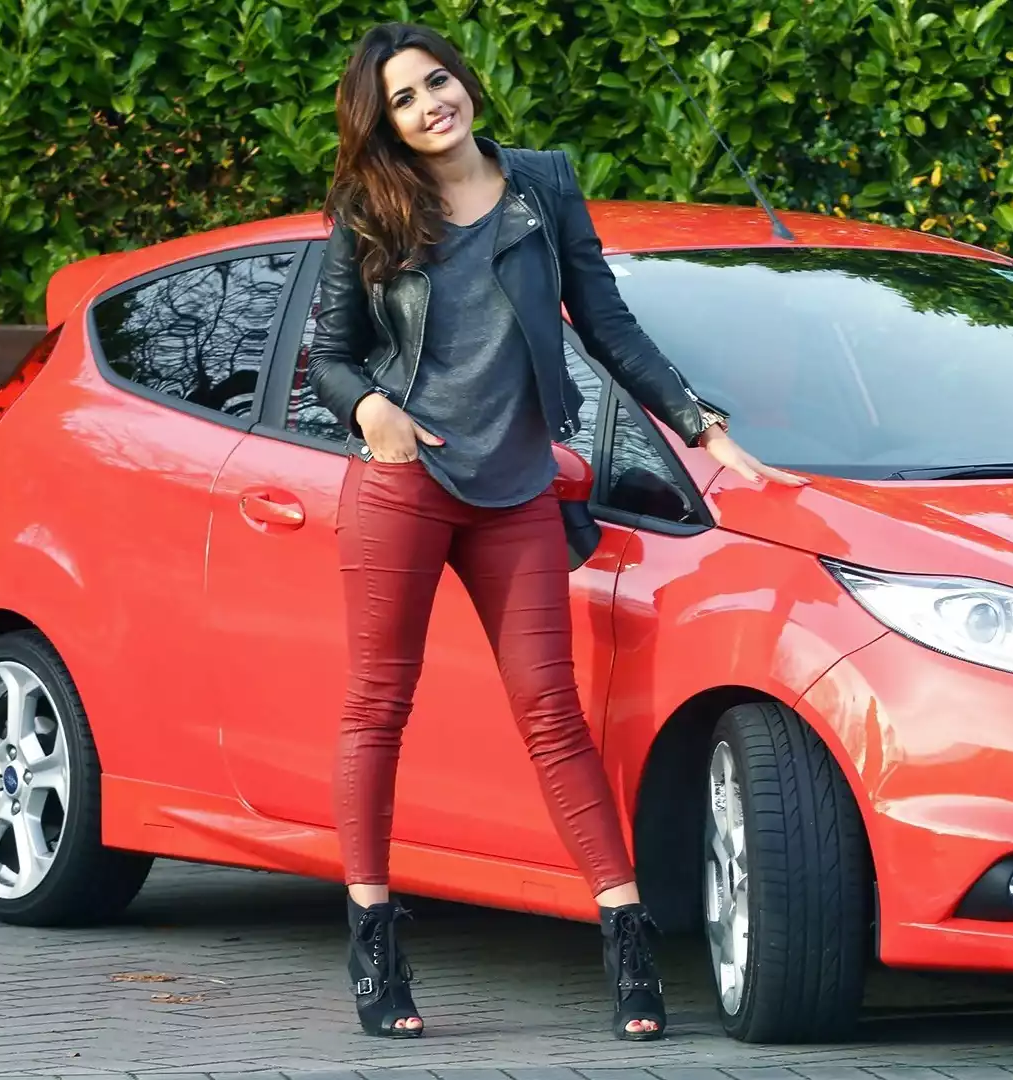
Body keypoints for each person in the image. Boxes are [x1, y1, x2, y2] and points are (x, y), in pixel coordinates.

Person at [304, 21, 806, 1041]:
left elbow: (606, 323)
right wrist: (371, 410)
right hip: (404, 483)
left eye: (437, 81)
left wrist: (700, 422)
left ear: (465, 79)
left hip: (517, 486)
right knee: (378, 707)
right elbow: (332, 356)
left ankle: (624, 938)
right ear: (384, 123)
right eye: (403, 99)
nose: (430, 105)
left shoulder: (543, 184)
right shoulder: (371, 207)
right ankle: (373, 941)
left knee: (552, 712)